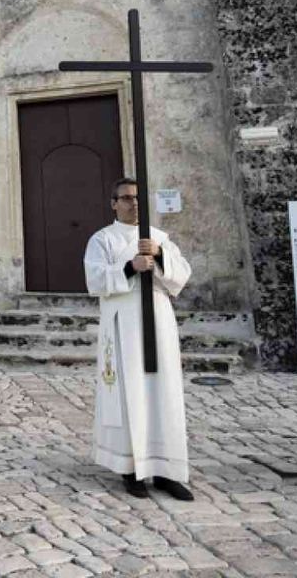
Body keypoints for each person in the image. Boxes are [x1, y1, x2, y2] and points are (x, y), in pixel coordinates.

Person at [82, 177, 195, 501]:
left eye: (138, 198)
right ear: (113, 203)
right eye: (127, 198)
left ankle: (166, 471)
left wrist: (160, 257)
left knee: (164, 391)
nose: (134, 203)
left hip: (158, 320)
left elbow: (181, 275)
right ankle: (131, 468)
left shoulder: (159, 238)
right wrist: (130, 267)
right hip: (123, 324)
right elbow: (94, 279)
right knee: (128, 392)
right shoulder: (102, 239)